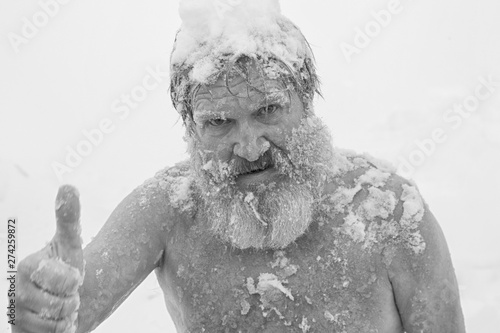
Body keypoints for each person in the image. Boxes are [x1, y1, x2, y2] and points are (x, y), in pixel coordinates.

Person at [14, 2, 465, 332]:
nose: (249, 148)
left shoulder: (387, 212)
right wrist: (33, 312)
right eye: (219, 123)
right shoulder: (167, 210)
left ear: (306, 103)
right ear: (190, 128)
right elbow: (68, 307)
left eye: (268, 110)